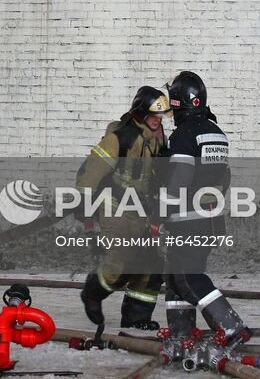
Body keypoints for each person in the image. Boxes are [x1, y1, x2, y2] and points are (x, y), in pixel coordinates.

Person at [162, 70, 252, 357]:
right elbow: (224, 177)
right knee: (175, 277)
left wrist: (158, 215)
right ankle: (180, 334)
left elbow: (178, 180)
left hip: (188, 221)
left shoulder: (184, 135)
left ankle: (231, 327)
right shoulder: (217, 133)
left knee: (189, 276)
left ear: (179, 103)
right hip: (210, 220)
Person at [75, 85, 170, 334]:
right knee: (120, 262)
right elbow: (91, 171)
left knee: (150, 264)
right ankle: (93, 293)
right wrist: (83, 205)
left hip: (141, 210)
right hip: (114, 208)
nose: (157, 122)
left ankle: (135, 317)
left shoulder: (158, 139)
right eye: (152, 117)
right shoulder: (119, 138)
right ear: (139, 114)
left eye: (160, 118)